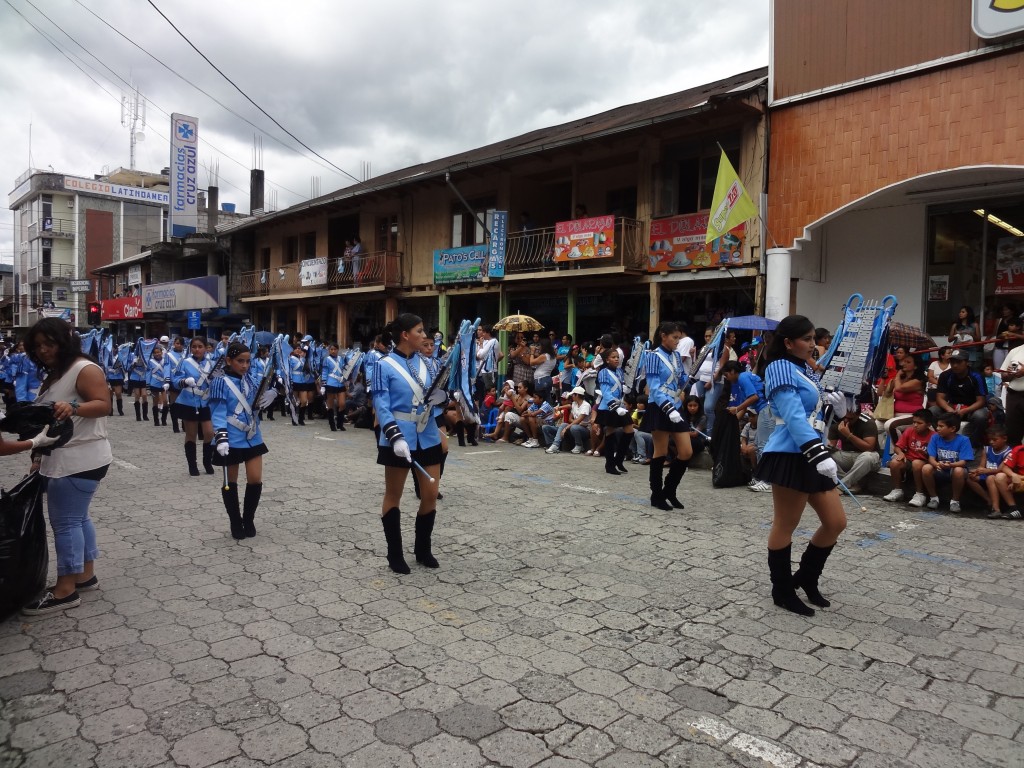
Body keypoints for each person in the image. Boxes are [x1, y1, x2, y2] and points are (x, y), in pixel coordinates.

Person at [753, 314, 847, 617]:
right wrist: (817, 452)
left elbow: (814, 415)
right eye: (806, 339)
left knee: (835, 522)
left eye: (812, 339)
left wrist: (839, 411)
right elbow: (793, 416)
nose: (812, 344)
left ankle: (805, 577)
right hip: (792, 453)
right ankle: (781, 589)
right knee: (785, 524)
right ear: (788, 343)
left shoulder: (805, 369)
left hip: (813, 451)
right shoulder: (779, 367)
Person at [21, 318, 112, 615]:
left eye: (50, 343)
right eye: (38, 346)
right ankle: (85, 575)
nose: (44, 350)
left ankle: (65, 590)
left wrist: (73, 407)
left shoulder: (83, 369)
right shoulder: (57, 373)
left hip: (78, 458)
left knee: (66, 523)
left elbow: (103, 403)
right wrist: (36, 454)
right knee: (78, 518)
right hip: (65, 458)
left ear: (65, 341)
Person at [372, 313, 443, 574]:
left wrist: (443, 399)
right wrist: (394, 436)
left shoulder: (429, 363)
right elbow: (381, 404)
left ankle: (423, 549)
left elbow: (434, 397)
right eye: (419, 331)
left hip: (428, 434)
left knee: (431, 494)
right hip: (398, 437)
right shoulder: (383, 364)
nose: (425, 336)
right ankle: (394, 554)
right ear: (405, 335)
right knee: (394, 495)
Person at [210, 342, 273, 539]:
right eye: (240, 361)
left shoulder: (252, 380)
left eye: (248, 361)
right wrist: (221, 438)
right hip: (230, 438)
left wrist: (274, 393)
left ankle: (249, 519)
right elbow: (218, 412)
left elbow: (258, 400)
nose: (244, 366)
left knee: (255, 480)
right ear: (228, 361)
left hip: (253, 437)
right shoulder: (220, 382)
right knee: (231, 481)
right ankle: (235, 521)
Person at [643, 322, 693, 510]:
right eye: (675, 338)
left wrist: (688, 381)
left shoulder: (677, 357)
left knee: (686, 452)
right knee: (661, 452)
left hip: (676, 406)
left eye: (679, 338)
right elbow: (654, 387)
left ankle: (669, 490)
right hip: (659, 407)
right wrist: (668, 408)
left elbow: (680, 380)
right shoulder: (653, 356)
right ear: (663, 336)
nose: (677, 342)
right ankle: (656, 496)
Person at [171, 337, 217, 477]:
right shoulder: (184, 363)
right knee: (191, 434)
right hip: (189, 402)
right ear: (190, 348)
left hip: (206, 402)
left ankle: (207, 461)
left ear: (205, 347)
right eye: (194, 346)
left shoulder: (212, 363)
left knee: (209, 432)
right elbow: (175, 381)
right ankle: (192, 465)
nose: (197, 349)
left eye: (200, 346)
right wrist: (184, 381)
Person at [931, 350, 989, 448]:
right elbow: (939, 398)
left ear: (967, 362)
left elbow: (981, 401)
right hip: (952, 408)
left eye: (958, 362)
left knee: (980, 415)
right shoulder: (945, 375)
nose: (955, 365)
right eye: (952, 362)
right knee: (933, 411)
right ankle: (943, 441)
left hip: (971, 409)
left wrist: (965, 410)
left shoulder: (976, 376)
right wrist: (949, 409)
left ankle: (973, 445)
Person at [921, 412, 974, 512]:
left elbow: (963, 462)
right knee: (926, 468)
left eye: (941, 426)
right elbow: (931, 458)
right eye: (937, 426)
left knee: (959, 470)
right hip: (939, 468)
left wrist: (951, 465)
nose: (937, 429)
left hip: (955, 469)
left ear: (952, 429)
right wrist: (936, 464)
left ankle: (955, 501)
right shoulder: (935, 437)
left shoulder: (964, 440)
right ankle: (934, 498)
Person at [882, 409, 935, 506]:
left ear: (928, 424)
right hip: (909, 460)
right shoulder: (909, 431)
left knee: (917, 463)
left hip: (924, 461)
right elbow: (897, 447)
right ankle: (897, 490)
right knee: (894, 462)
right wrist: (900, 453)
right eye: (914, 422)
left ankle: (919, 494)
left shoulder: (933, 436)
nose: (915, 425)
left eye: (919, 423)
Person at [595, 347, 633, 474]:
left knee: (629, 431)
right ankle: (609, 464)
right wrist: (615, 407)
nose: (616, 359)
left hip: (620, 405)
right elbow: (606, 392)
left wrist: (624, 389)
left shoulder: (620, 371)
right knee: (610, 432)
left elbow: (619, 387)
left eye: (617, 357)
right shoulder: (603, 372)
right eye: (613, 357)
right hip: (609, 406)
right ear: (607, 360)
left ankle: (619, 459)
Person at [827, 407, 881, 494]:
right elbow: (831, 445)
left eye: (850, 419)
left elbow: (869, 448)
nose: (846, 420)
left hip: (867, 456)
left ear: (858, 415)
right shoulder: (837, 421)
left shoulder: (868, 422)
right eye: (845, 417)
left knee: (868, 457)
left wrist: (848, 435)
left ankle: (842, 486)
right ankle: (852, 484)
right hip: (846, 455)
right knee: (823, 454)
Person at [966, 425, 1014, 519]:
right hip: (986, 474)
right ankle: (988, 499)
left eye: (995, 439)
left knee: (991, 478)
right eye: (990, 440)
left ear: (1004, 438)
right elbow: (981, 466)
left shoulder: (1008, 452)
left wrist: (987, 471)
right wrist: (977, 471)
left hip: (998, 476)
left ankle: (995, 509)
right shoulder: (987, 449)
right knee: (969, 478)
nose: (991, 442)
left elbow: (1001, 469)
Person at [882, 353, 927, 446]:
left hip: (912, 415)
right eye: (903, 362)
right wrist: (889, 384)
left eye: (908, 362)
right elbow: (885, 394)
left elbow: (900, 388)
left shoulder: (918, 381)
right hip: (893, 413)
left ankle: (900, 451)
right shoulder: (900, 380)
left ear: (915, 366)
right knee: (875, 425)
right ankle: (878, 451)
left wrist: (897, 376)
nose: (903, 364)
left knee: (890, 425)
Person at [321, 343, 347, 432]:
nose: (333, 351)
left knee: (342, 404)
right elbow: (324, 372)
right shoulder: (326, 360)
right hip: (330, 383)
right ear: (329, 350)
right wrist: (323, 385)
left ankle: (340, 424)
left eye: (335, 349)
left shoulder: (341, 359)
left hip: (340, 383)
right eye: (331, 349)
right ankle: (332, 424)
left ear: (338, 350)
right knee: (330, 405)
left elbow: (345, 369)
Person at [288, 345, 315, 425]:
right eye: (296, 348)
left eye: (299, 348)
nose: (298, 350)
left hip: (303, 381)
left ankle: (301, 418)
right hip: (294, 380)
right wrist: (290, 380)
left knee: (304, 401)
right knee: (294, 401)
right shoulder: (290, 359)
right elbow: (289, 370)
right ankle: (293, 418)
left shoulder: (303, 359)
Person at [146, 344, 169, 429]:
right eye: (155, 353)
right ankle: (156, 420)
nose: (157, 354)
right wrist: (147, 385)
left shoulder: (165, 361)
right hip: (154, 383)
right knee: (155, 402)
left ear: (161, 352)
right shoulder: (150, 362)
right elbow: (148, 373)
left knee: (165, 402)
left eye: (158, 352)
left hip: (163, 383)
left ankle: (164, 419)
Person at [165, 337, 185, 432]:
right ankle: (175, 425)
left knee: (185, 403)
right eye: (177, 343)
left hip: (184, 381)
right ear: (174, 344)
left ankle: (184, 425)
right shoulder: (169, 355)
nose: (179, 345)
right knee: (173, 403)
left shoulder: (186, 354)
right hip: (173, 381)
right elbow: (167, 367)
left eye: (180, 343)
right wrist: (167, 381)